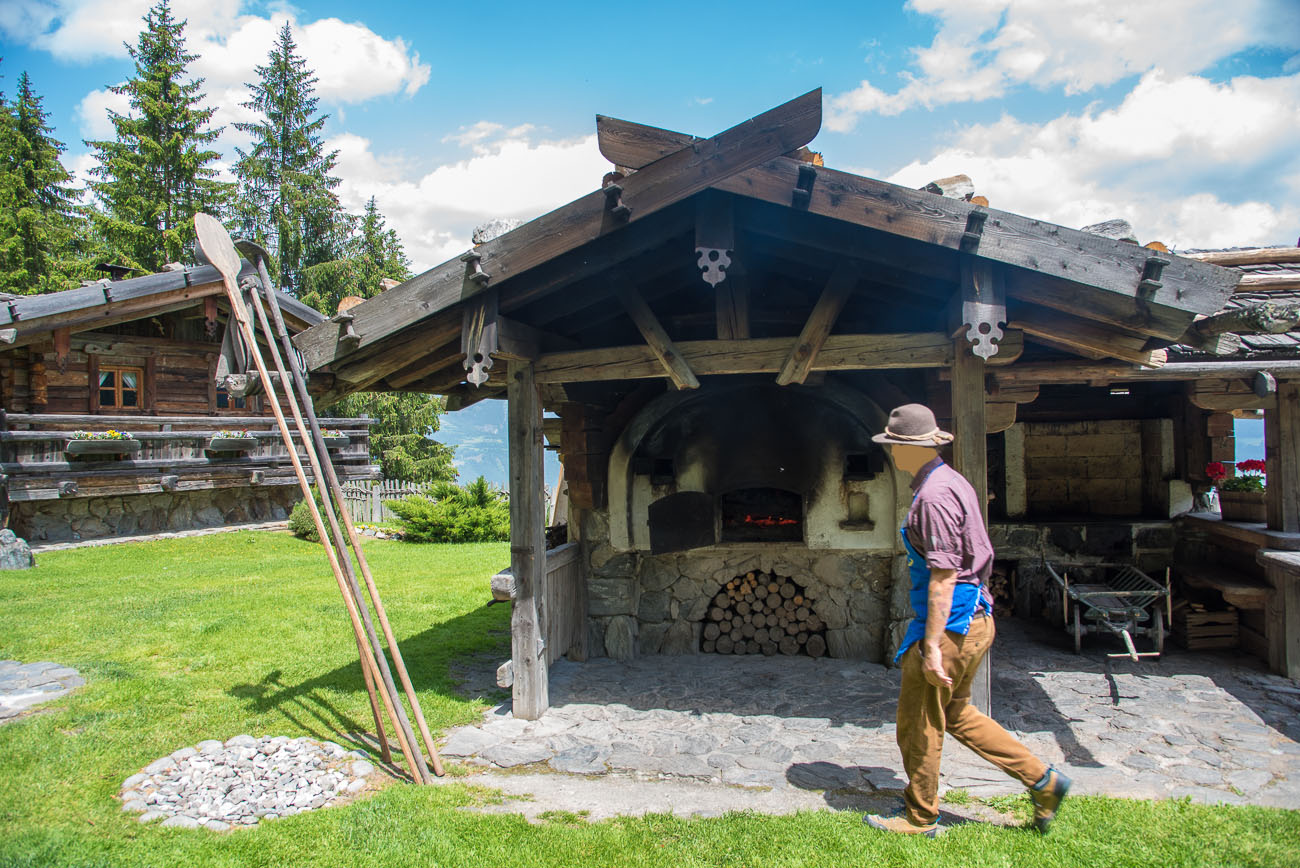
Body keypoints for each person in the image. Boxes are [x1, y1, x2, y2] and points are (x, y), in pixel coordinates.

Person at [863, 403, 1069, 837]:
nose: (892, 452)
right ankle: (1044, 780)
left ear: (908, 449)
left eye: (895, 445)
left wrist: (933, 647)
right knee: (956, 714)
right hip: (976, 618)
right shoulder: (950, 481)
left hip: (951, 625)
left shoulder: (933, 497)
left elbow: (944, 574)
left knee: (918, 722)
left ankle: (920, 818)